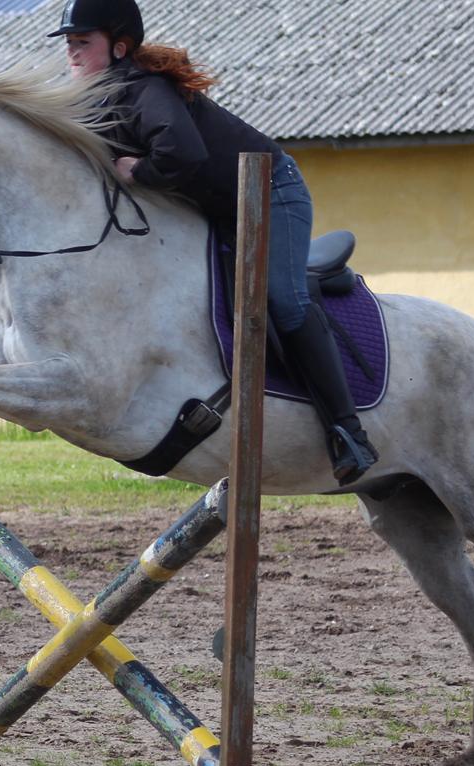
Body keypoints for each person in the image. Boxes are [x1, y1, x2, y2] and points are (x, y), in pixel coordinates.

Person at [49, 0, 378, 485]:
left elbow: (184, 152)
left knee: (284, 302)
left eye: (84, 42)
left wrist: (137, 169)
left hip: (273, 194)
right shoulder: (90, 98)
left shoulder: (145, 88)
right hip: (220, 208)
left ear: (119, 47)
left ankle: (348, 432)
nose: (72, 53)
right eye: (69, 44)